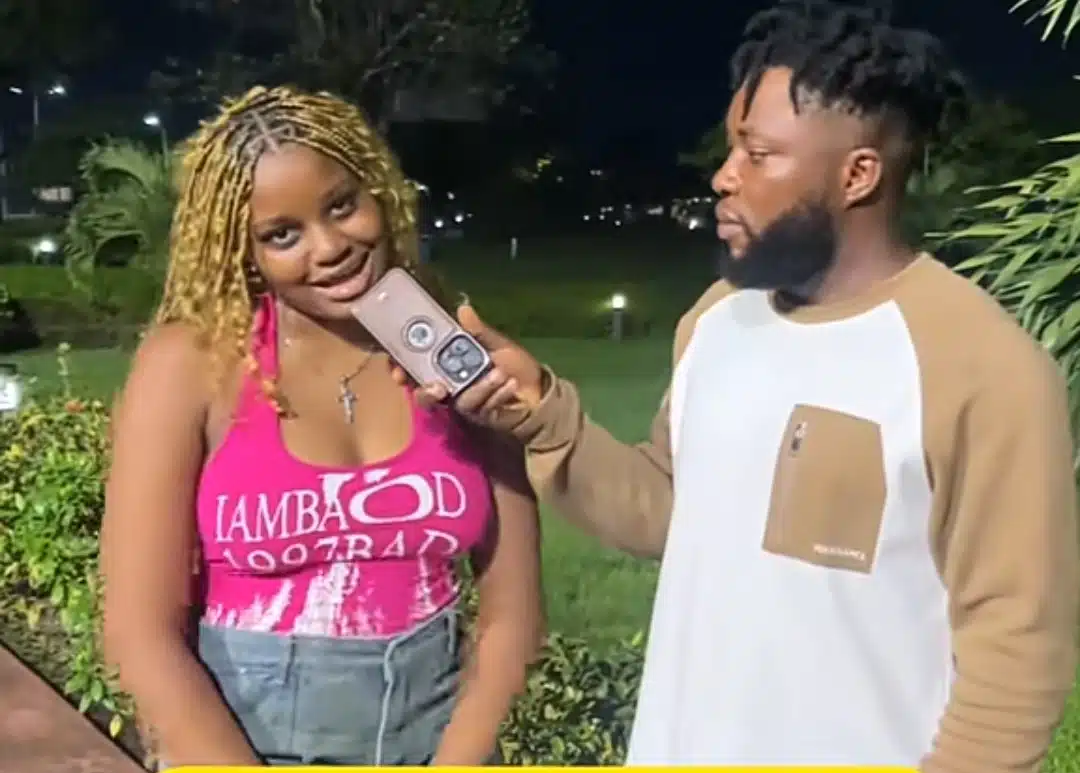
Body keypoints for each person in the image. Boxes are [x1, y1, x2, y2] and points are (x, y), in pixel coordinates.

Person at [404, 1, 1080, 769]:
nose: (724, 176)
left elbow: (1016, 653)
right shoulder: (720, 317)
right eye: (732, 147)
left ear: (858, 174)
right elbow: (674, 511)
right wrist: (544, 418)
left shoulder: (980, 365)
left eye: (758, 154)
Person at [100, 85, 543, 768]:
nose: (331, 246)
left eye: (342, 205)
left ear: (379, 194)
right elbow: (138, 634)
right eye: (283, 234)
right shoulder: (193, 364)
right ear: (242, 250)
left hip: (435, 744)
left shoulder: (449, 355)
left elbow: (513, 616)